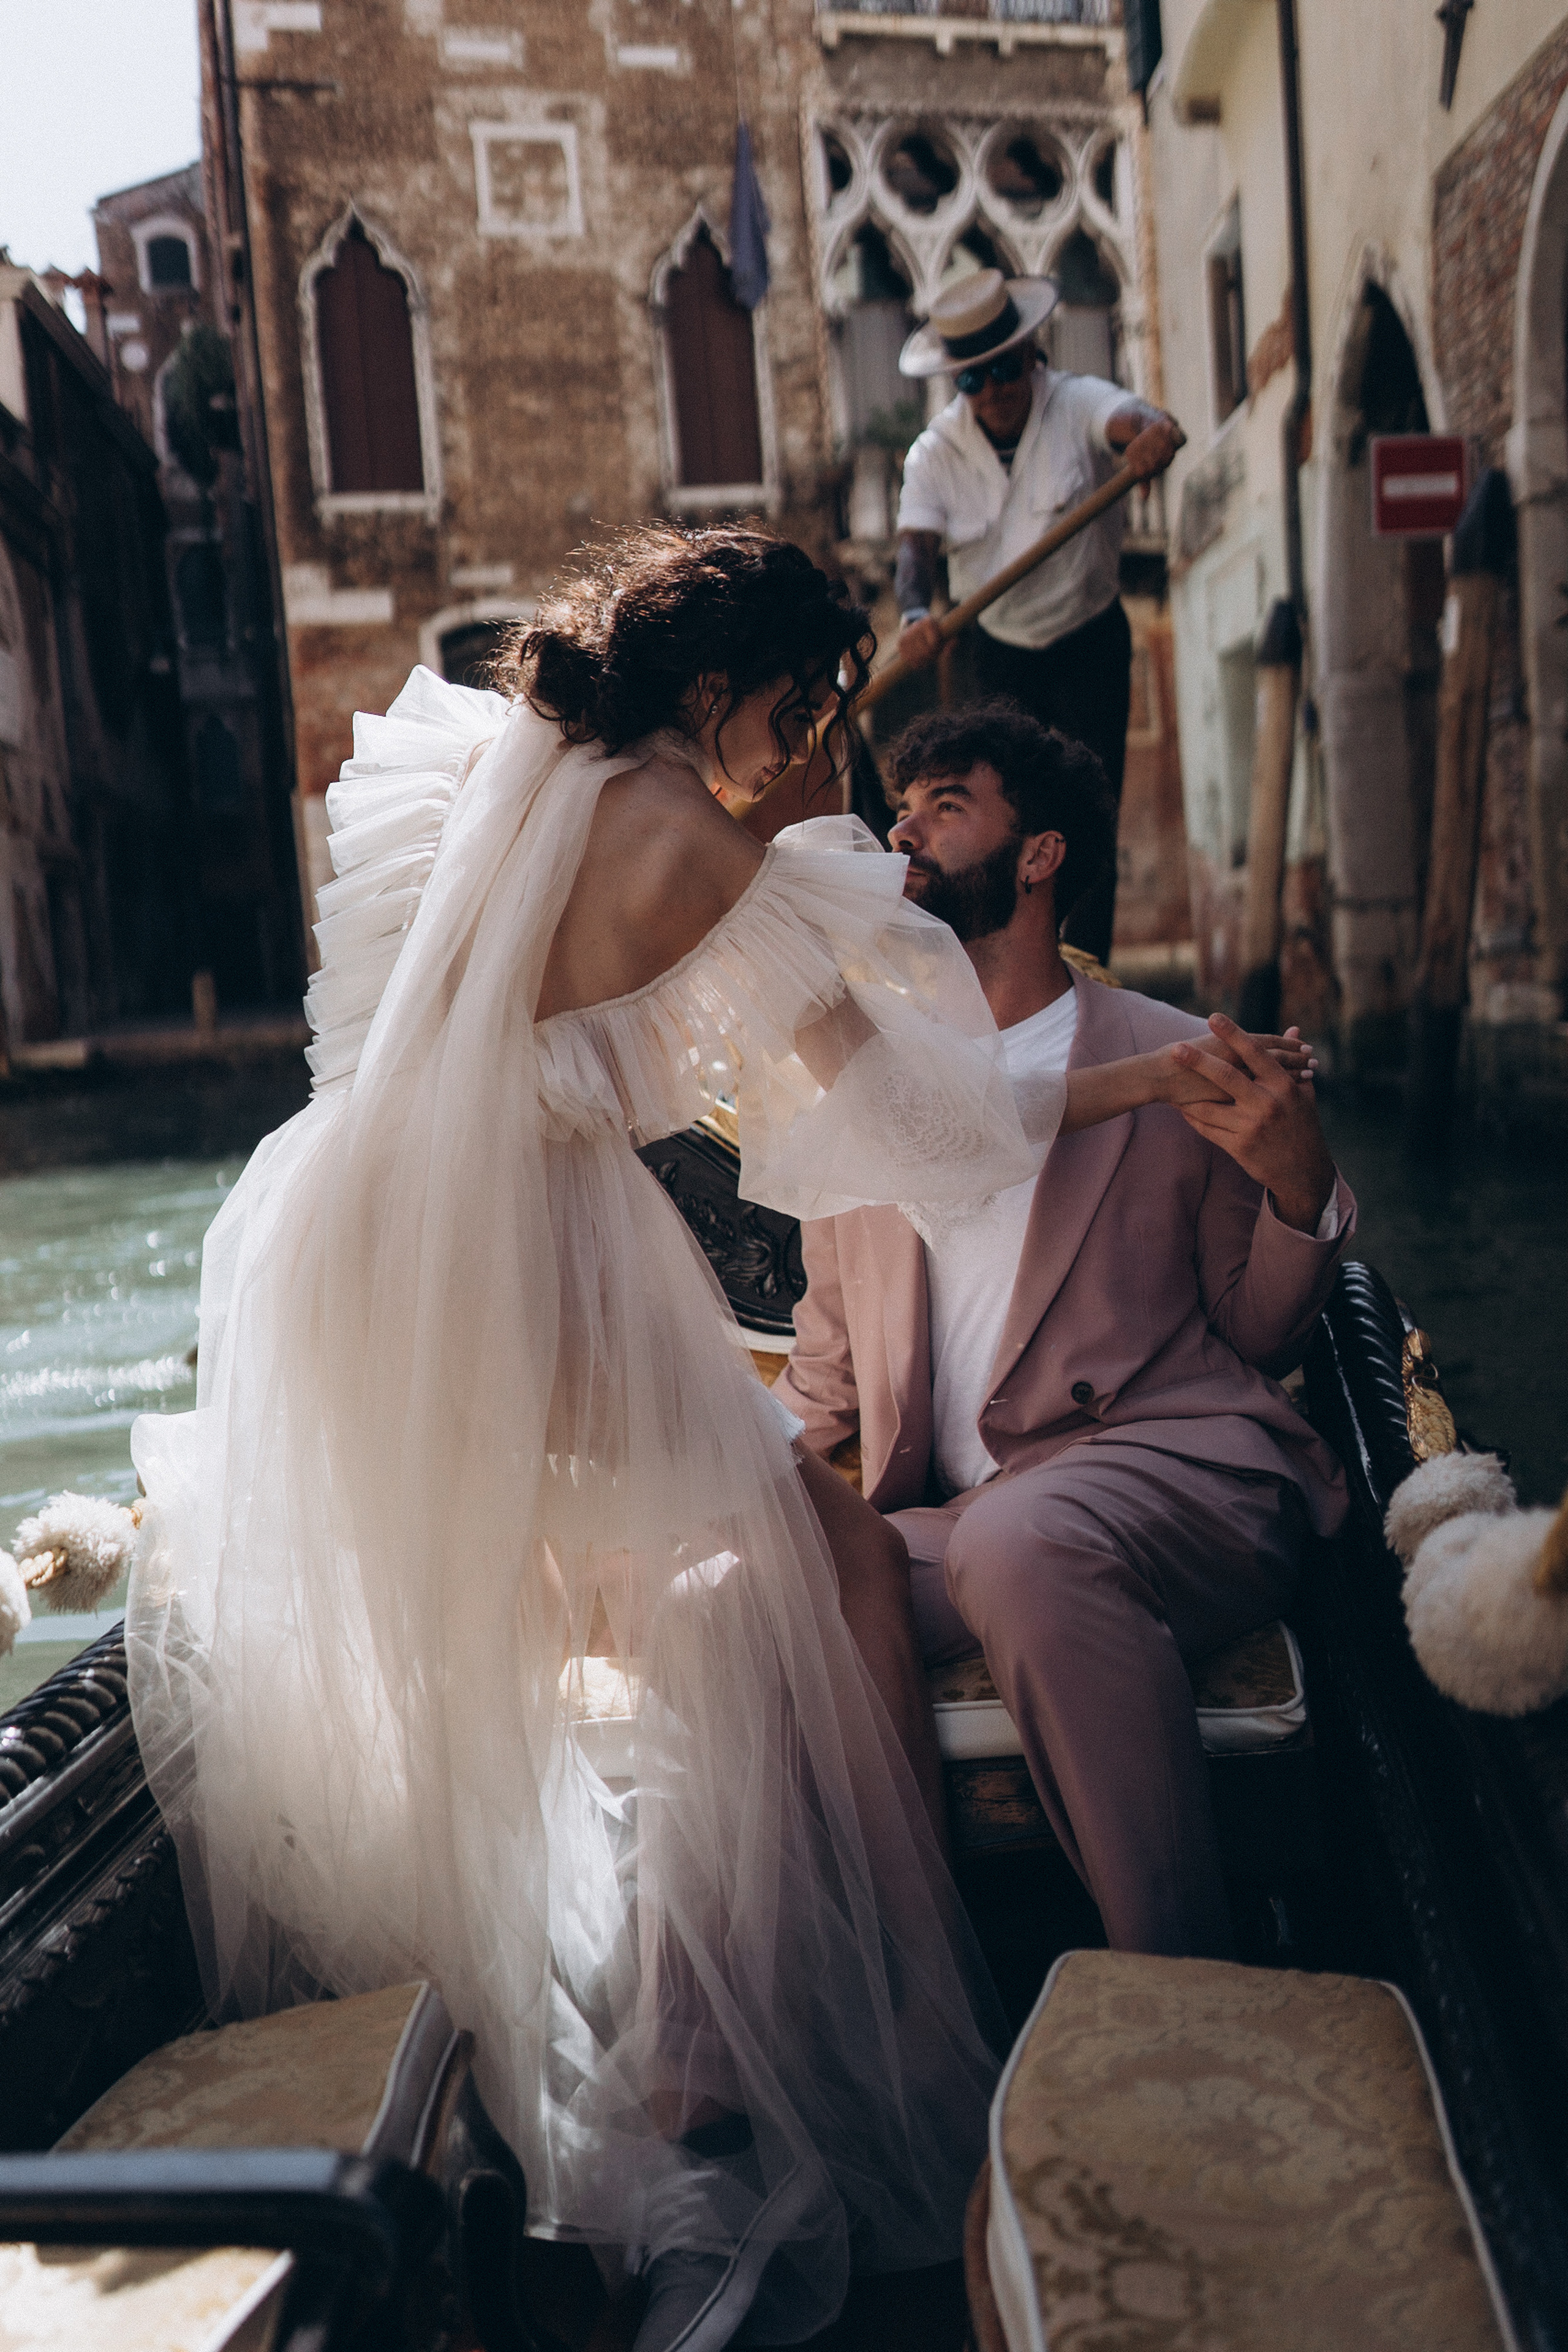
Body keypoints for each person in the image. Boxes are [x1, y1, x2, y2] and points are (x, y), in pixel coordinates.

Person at [125, 531, 1309, 2352]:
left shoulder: (544, 774)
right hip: (508, 1248)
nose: (819, 745)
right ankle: (872, 2026)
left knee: (676, 1601)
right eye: (802, 709)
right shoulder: (702, 841)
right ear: (714, 690)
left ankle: (667, 2101)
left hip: (365, 1232)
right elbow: (925, 1124)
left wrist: (843, 742)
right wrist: (1143, 1075)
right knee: (829, 1558)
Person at [775, 701, 1357, 1963]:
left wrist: (1299, 1186)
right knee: (747, 1598)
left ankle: (1176, 1982)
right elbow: (825, 1374)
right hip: (964, 1516)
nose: (903, 832)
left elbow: (1257, 1331)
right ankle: (869, 2003)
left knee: (1021, 1540)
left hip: (1174, 1467)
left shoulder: (1173, 1056)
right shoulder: (869, 1094)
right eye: (899, 809)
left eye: (945, 807)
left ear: (1038, 854)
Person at [892, 270, 1182, 963]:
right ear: (957, 383)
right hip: (994, 652)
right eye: (973, 379)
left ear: (1030, 355)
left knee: (1087, 814)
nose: (992, 391)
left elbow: (1135, 422)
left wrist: (1150, 438)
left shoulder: (1078, 402)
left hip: (1088, 639)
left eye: (1004, 370)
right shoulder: (934, 452)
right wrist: (914, 612)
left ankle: (1086, 965)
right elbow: (914, 548)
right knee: (992, 816)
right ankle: (1001, 964)